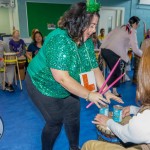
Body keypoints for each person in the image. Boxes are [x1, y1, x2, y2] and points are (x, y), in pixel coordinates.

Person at [25, 1, 123, 150]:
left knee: (74, 114)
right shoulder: (59, 40)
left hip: (68, 84)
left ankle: (74, 147)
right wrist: (89, 95)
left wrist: (106, 91)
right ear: (78, 22)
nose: (93, 30)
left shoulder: (88, 42)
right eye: (91, 25)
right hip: (42, 84)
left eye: (95, 25)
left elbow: (94, 69)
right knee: (55, 121)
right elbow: (62, 78)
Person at [81, 45, 150, 150]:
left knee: (88, 145)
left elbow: (125, 134)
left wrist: (107, 121)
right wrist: (133, 109)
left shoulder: (144, 120)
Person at [100, 16, 143, 97]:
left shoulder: (121, 27)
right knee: (116, 73)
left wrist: (101, 48)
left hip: (104, 50)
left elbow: (109, 36)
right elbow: (135, 49)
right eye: (138, 24)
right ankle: (104, 90)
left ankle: (113, 91)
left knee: (115, 72)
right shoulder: (132, 31)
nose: (137, 26)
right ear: (134, 24)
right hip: (112, 53)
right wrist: (145, 55)